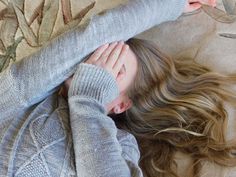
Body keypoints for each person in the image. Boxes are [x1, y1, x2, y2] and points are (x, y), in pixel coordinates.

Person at [0, 0, 216, 176]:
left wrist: (87, 99)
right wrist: (169, 5)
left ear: (121, 104)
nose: (95, 63)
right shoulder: (21, 93)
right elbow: (95, 34)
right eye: (100, 54)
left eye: (114, 68)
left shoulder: (122, 145)